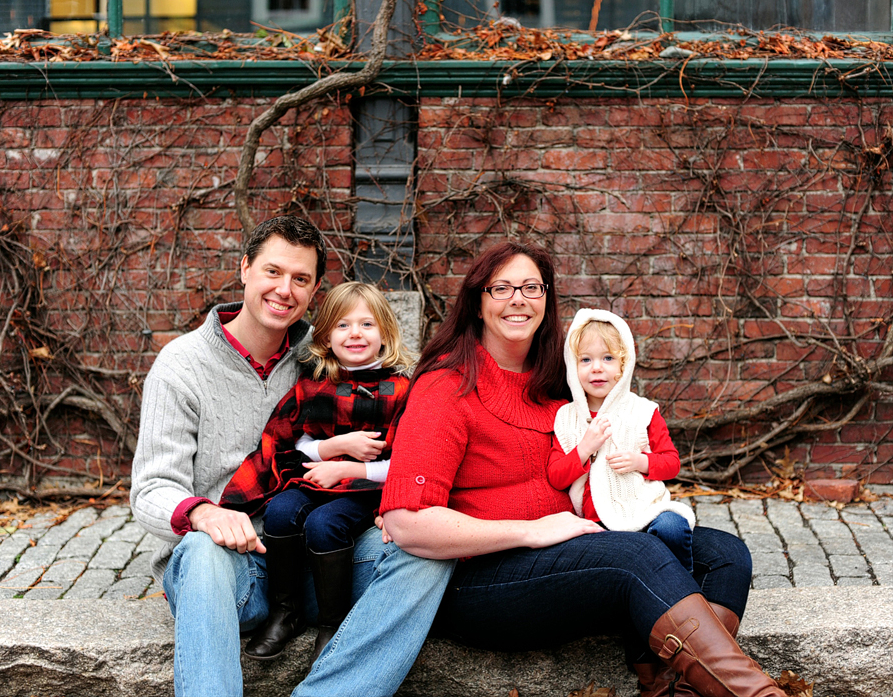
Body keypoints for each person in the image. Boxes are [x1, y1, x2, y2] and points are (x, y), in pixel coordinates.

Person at [289, 241, 783, 697]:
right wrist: (531, 530)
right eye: (500, 288)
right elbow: (406, 523)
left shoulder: (558, 384)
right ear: (477, 301)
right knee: (636, 556)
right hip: (481, 578)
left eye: (530, 287)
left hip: (574, 544)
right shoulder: (447, 386)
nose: (517, 299)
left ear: (547, 299)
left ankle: (671, 690)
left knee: (726, 554)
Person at [129, 215, 332, 697]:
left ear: (315, 289)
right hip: (224, 570)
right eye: (273, 272)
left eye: (300, 279)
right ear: (244, 268)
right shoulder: (181, 365)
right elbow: (151, 488)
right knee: (201, 549)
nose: (285, 290)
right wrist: (201, 512)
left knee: (414, 553)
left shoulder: (323, 360)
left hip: (307, 564)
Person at [219, 282, 412, 664]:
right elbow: (295, 441)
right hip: (317, 477)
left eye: (367, 325)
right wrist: (333, 449)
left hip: (367, 488)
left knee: (325, 525)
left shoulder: (403, 390)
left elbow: (409, 464)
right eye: (343, 326)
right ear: (324, 337)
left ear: (386, 333)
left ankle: (331, 623)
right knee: (280, 511)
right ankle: (284, 611)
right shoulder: (315, 385)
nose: (355, 333)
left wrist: (350, 467)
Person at [548, 308, 696, 572]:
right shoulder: (566, 418)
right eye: (585, 360)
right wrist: (584, 449)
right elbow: (556, 477)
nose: (597, 368)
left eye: (608, 358)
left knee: (673, 527)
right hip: (596, 522)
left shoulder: (643, 411)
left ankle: (683, 587)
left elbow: (672, 463)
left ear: (623, 365)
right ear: (573, 365)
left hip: (644, 511)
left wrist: (640, 461)